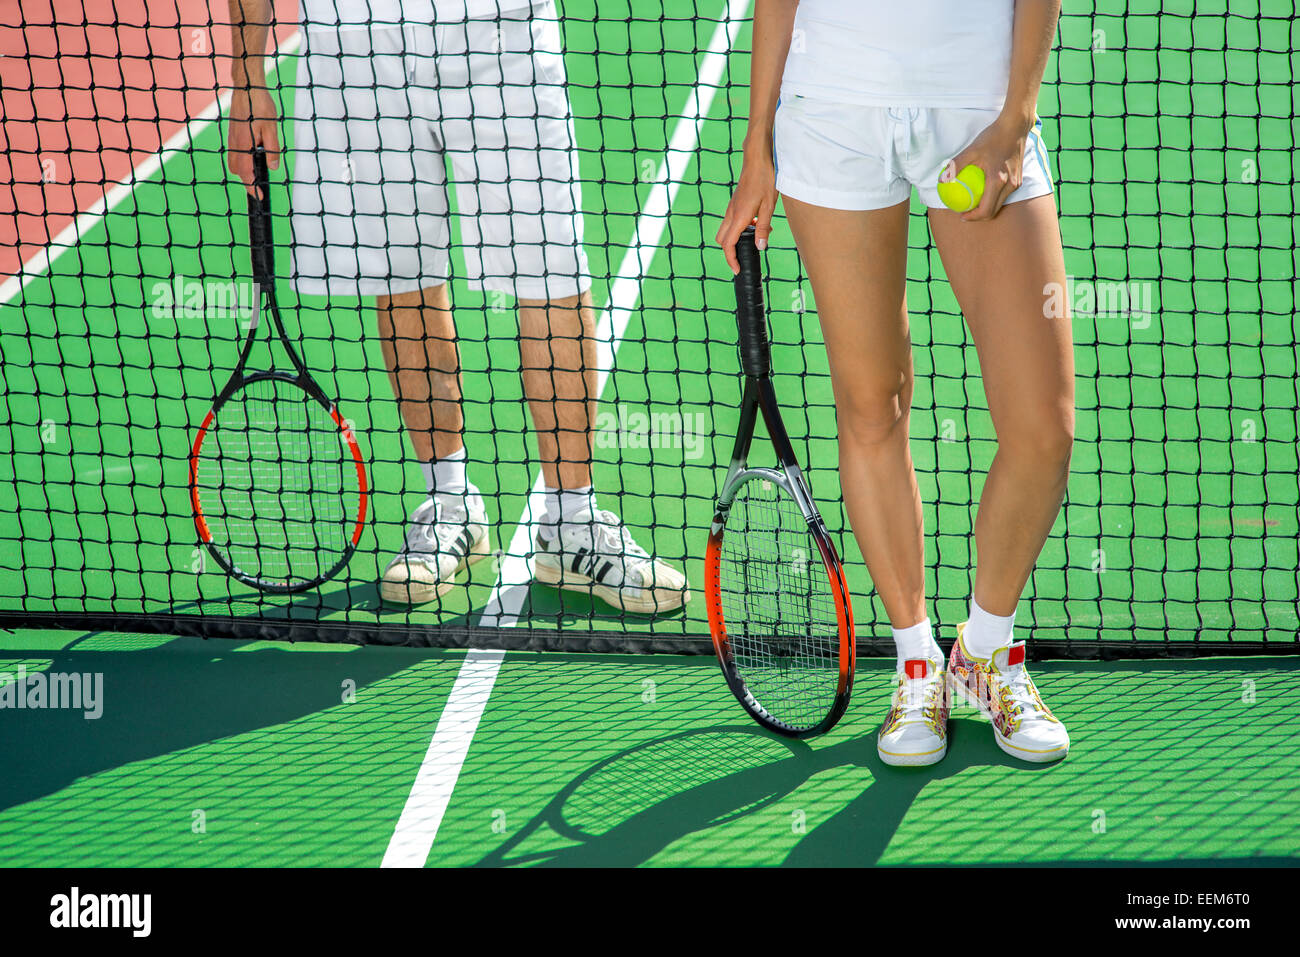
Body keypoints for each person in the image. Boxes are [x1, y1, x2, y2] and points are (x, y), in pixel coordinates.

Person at [226, 0, 688, 615]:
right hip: (352, 38)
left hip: (498, 28)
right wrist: (248, 76)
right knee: (400, 271)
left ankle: (572, 523)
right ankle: (450, 505)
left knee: (551, 269)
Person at [717, 0, 1072, 764]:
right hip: (833, 117)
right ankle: (916, 663)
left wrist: (1015, 118)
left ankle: (984, 652)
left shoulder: (999, 117)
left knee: (1046, 427)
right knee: (871, 405)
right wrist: (758, 147)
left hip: (977, 110)